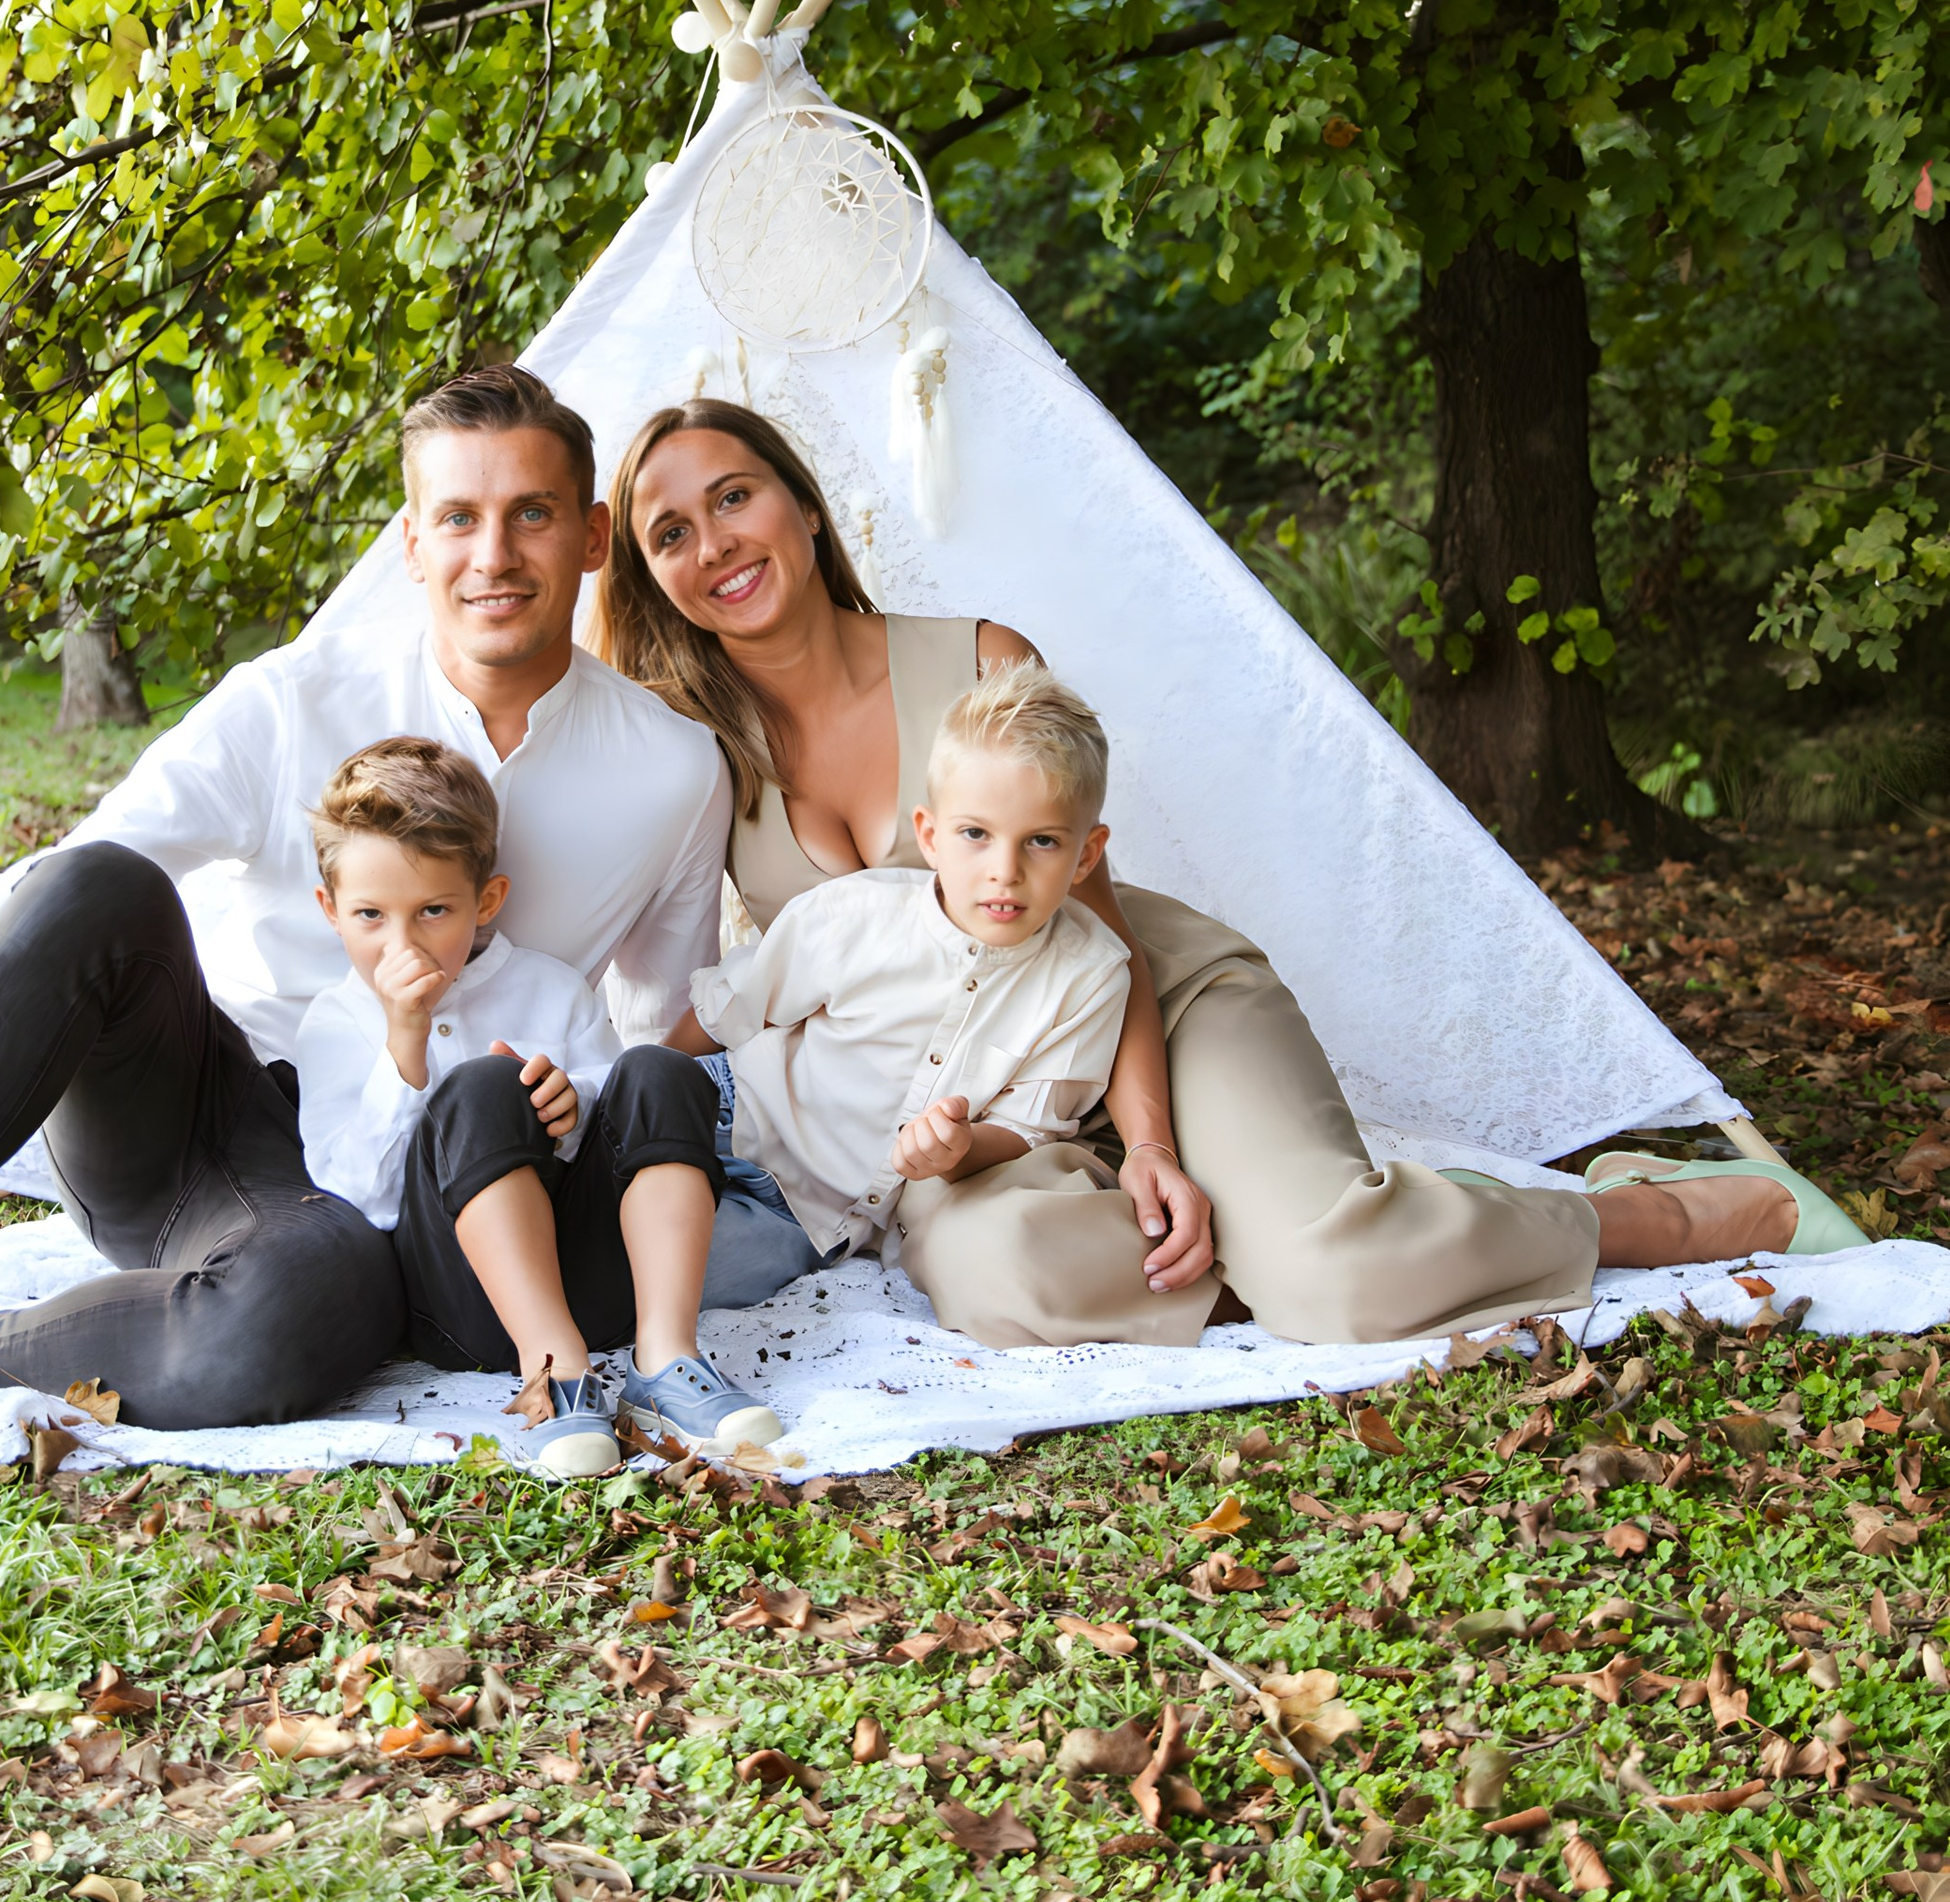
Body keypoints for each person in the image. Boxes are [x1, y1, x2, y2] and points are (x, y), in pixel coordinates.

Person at [0, 364, 778, 1504]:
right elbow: (57, 881)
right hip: (205, 1121)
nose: (493, 556)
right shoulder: (291, 698)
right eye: (458, 518)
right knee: (105, 884)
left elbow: (657, 1028)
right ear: (411, 542)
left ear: (586, 536)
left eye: (529, 515)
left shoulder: (669, 769)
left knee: (306, 1309)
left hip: (433, 1182)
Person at [592, 401, 1844, 1346]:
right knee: (994, 1281)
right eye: (669, 533)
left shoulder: (978, 658)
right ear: (653, 576)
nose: (714, 543)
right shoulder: (698, 757)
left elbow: (1096, 923)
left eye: (736, 496)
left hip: (1148, 998)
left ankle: (1629, 1215)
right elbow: (704, 984)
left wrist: (1145, 1141)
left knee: (1339, 1280)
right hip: (977, 1107)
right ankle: (1298, 1235)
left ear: (803, 506)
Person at [296, 738, 779, 1473]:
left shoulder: (551, 990)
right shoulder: (337, 1021)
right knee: (483, 1086)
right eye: (370, 916)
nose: (403, 944)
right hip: (460, 1305)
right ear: (331, 911)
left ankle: (666, 1361)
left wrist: (575, 1104)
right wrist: (405, 1043)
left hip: (600, 1284)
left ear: (486, 901)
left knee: (660, 1069)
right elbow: (360, 1200)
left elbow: (628, 1125)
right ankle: (554, 1373)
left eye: (433, 910)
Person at [684, 663, 1166, 1341]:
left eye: (1042, 842)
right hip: (727, 1108)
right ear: (931, 835)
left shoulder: (1090, 979)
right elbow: (725, 1012)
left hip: (808, 1216)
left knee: (676, 1277)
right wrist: (633, 1084)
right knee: (590, 1138)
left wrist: (958, 1149)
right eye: (976, 834)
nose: (1005, 869)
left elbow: (1030, 1128)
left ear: (1087, 856)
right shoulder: (855, 914)